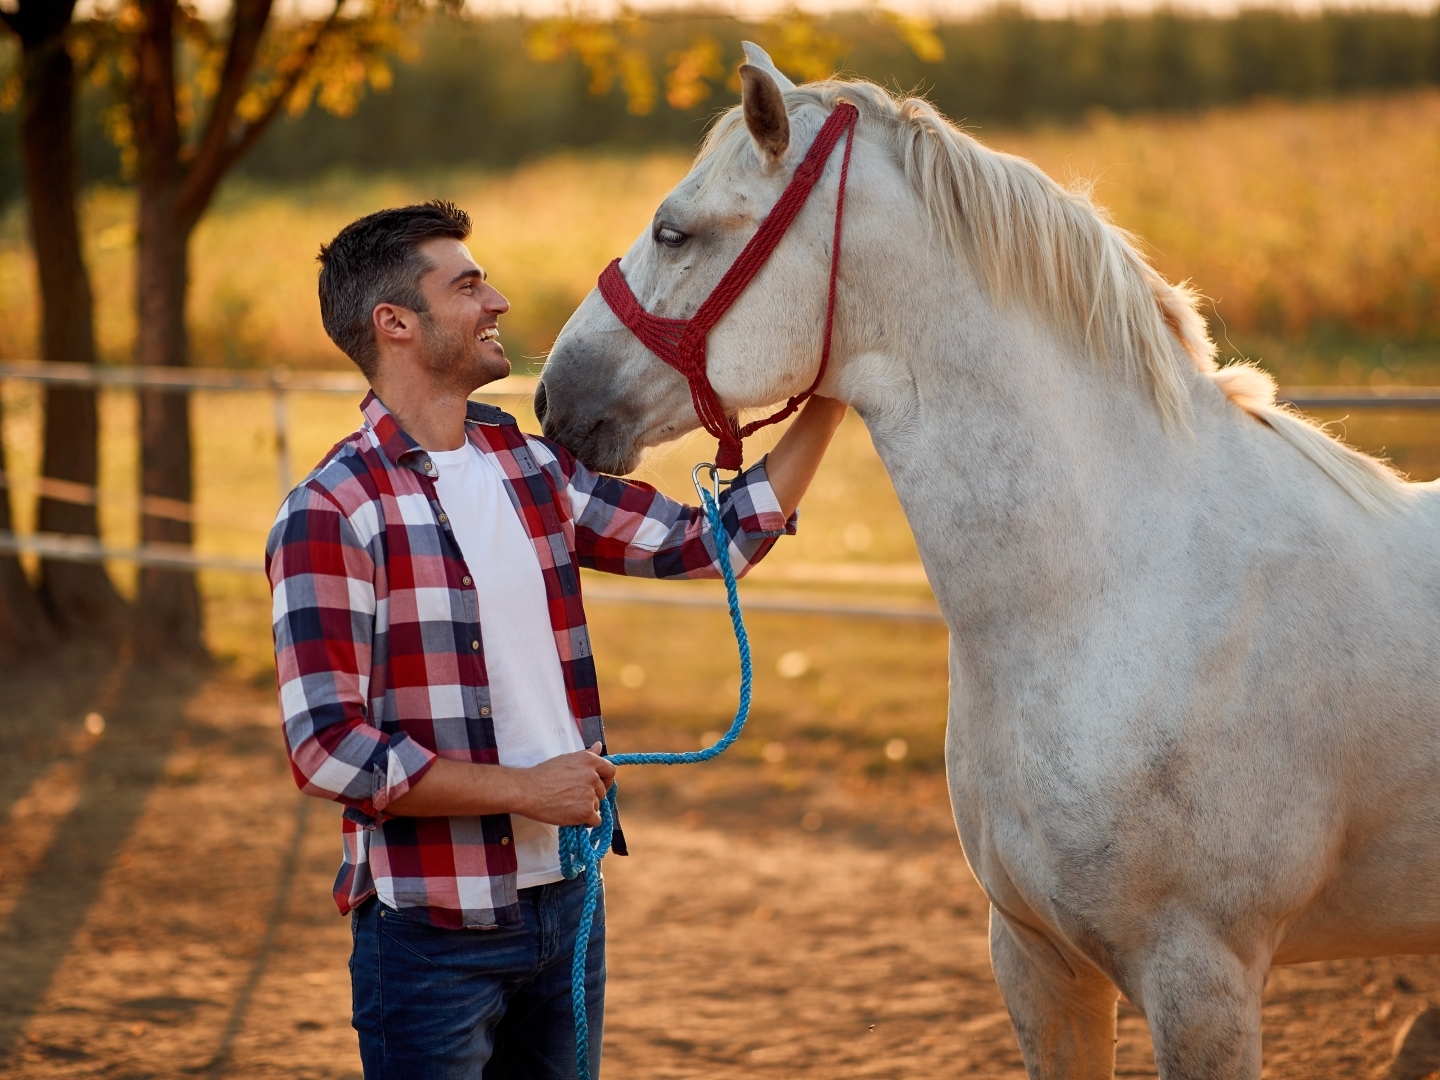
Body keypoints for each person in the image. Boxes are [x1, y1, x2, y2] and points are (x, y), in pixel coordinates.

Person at [265, 200, 846, 1079]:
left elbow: (710, 546)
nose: (496, 301)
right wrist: (523, 789)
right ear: (396, 324)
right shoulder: (331, 512)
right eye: (466, 285)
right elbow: (326, 751)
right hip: (431, 934)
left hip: (568, 903)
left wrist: (836, 394)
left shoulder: (529, 466)